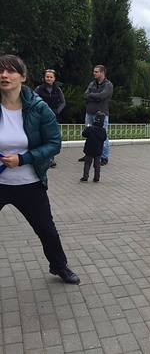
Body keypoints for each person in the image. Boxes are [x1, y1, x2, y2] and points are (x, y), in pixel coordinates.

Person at [0, 55, 80, 284]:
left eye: (10, 71)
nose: (4, 75)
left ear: (23, 77)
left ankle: (59, 266)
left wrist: (23, 159)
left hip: (29, 183)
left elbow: (54, 144)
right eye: (0, 71)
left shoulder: (38, 107)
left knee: (47, 230)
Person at [79, 65, 113, 165]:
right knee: (89, 134)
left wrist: (92, 95)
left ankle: (104, 157)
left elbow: (102, 96)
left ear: (102, 73)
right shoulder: (92, 84)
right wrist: (95, 96)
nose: (94, 73)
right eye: (94, 71)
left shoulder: (108, 85)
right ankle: (88, 154)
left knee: (102, 135)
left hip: (101, 114)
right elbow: (85, 95)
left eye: (96, 72)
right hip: (90, 112)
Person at [35, 69, 65, 168]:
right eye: (47, 77)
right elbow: (33, 100)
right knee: (41, 137)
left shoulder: (57, 90)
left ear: (54, 78)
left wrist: (57, 111)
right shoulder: (39, 89)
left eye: (51, 77)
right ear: (44, 77)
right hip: (41, 116)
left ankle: (51, 159)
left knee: (52, 137)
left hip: (53, 117)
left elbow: (62, 102)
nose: (49, 78)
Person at [80, 111, 107, 183]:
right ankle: (96, 177)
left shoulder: (90, 128)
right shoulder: (103, 130)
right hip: (98, 150)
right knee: (97, 164)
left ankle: (85, 177)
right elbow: (104, 138)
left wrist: (86, 128)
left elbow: (84, 134)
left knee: (87, 163)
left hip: (89, 149)